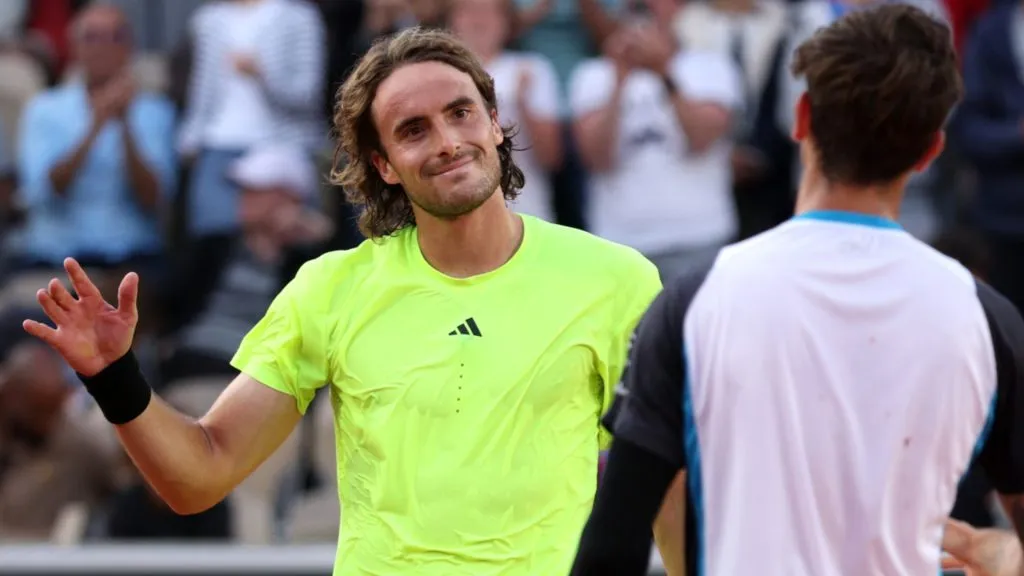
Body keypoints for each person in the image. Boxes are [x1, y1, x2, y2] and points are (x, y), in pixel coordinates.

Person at [24, 28, 664, 575]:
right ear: (384, 165)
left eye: (461, 112)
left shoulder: (617, 279)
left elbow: (677, 484)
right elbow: (199, 476)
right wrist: (114, 376)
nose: (445, 140)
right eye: (414, 130)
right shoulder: (330, 288)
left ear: (495, 123)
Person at [570, 5, 1024, 575]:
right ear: (932, 149)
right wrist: (1006, 556)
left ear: (802, 117)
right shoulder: (987, 319)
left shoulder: (696, 302)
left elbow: (611, 548)